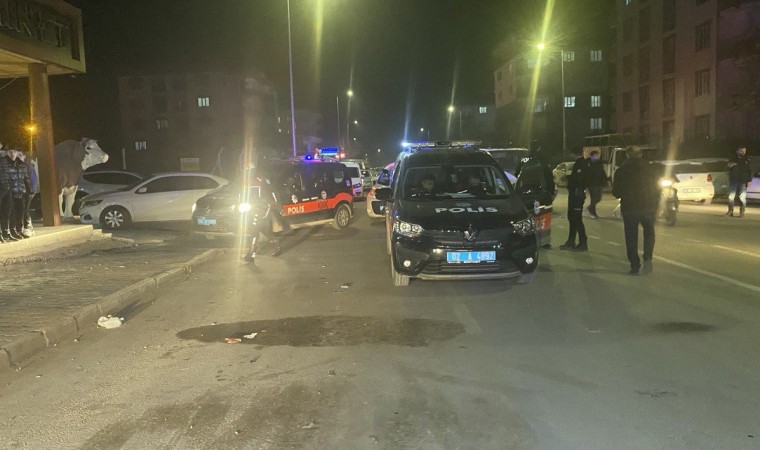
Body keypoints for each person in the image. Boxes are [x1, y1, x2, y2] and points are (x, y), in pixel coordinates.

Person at [612, 146, 660, 275]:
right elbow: (658, 188)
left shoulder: (621, 171)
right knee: (649, 234)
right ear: (641, 154)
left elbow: (616, 192)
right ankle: (648, 257)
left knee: (631, 237)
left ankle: (634, 265)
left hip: (630, 208)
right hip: (648, 207)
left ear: (627, 155)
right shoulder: (651, 169)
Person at [560, 154, 590, 251]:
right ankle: (571, 241)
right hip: (575, 193)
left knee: (576, 218)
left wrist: (568, 177)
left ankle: (583, 242)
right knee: (572, 217)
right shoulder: (580, 163)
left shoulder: (582, 164)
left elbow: (579, 178)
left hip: (577, 194)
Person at [726, 146, 752, 218]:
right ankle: (730, 211)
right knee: (731, 196)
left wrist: (749, 180)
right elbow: (727, 168)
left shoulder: (747, 160)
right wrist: (729, 166)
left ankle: (742, 212)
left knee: (742, 197)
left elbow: (750, 171)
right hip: (733, 180)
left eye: (744, 151)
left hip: (743, 181)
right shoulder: (733, 159)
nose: (743, 152)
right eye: (741, 151)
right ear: (737, 151)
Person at [585, 150, 607, 219]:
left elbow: (602, 173)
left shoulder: (599, 163)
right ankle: (593, 213)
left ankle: (590, 207)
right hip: (591, 184)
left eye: (598, 155)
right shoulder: (587, 164)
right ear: (591, 156)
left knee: (599, 198)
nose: (597, 157)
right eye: (595, 156)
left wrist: (605, 181)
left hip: (599, 183)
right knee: (594, 198)